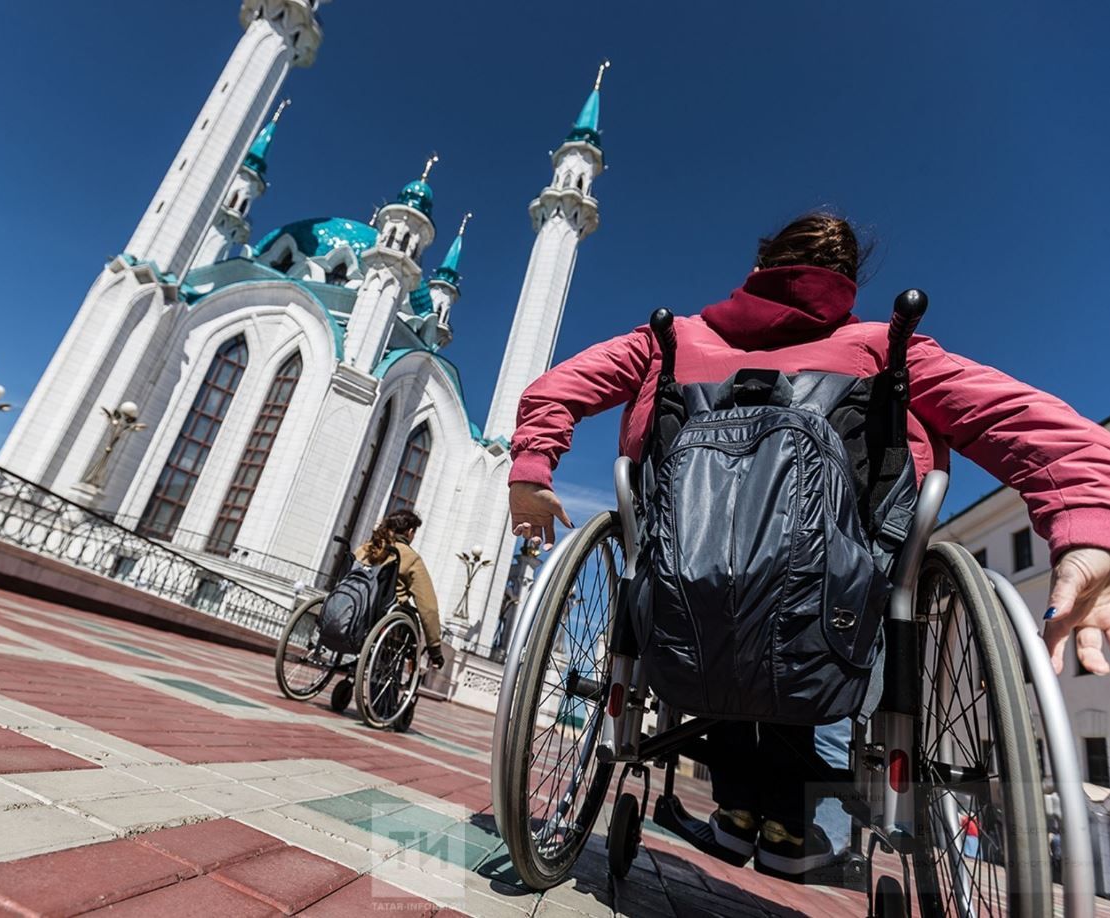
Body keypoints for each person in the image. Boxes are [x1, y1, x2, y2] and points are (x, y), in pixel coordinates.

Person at [508, 212, 1110, 875]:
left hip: (678, 609)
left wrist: (532, 471)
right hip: (830, 623)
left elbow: (553, 389)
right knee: (820, 593)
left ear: (761, 265)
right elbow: (1023, 421)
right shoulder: (886, 346)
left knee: (724, 591)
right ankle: (792, 830)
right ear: (847, 280)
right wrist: (1087, 522)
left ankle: (736, 812)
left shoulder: (670, 341)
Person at [354, 509, 445, 669]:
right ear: (410, 532)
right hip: (384, 621)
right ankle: (385, 681)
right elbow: (428, 607)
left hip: (355, 611)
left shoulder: (367, 547)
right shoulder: (410, 557)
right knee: (411, 618)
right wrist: (434, 648)